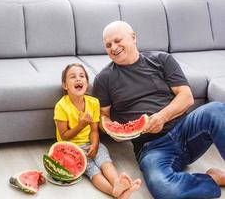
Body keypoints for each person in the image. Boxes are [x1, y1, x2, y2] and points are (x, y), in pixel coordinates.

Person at [93, 20, 225, 199]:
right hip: (151, 148)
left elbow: (186, 97)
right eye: (108, 45)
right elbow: (103, 116)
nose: (113, 47)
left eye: (117, 40)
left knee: (216, 110)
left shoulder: (161, 59)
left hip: (186, 130)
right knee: (164, 188)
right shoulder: (104, 78)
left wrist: (162, 116)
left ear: (133, 38)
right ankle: (213, 179)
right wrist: (110, 129)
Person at [54, 63, 142, 199]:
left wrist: (95, 144)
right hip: (71, 148)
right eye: (72, 77)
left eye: (82, 76)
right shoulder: (61, 106)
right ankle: (118, 195)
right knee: (92, 170)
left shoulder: (93, 103)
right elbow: (64, 137)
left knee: (105, 161)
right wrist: (80, 125)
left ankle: (117, 184)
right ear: (65, 85)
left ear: (87, 83)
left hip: (91, 142)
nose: (78, 79)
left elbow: (94, 130)